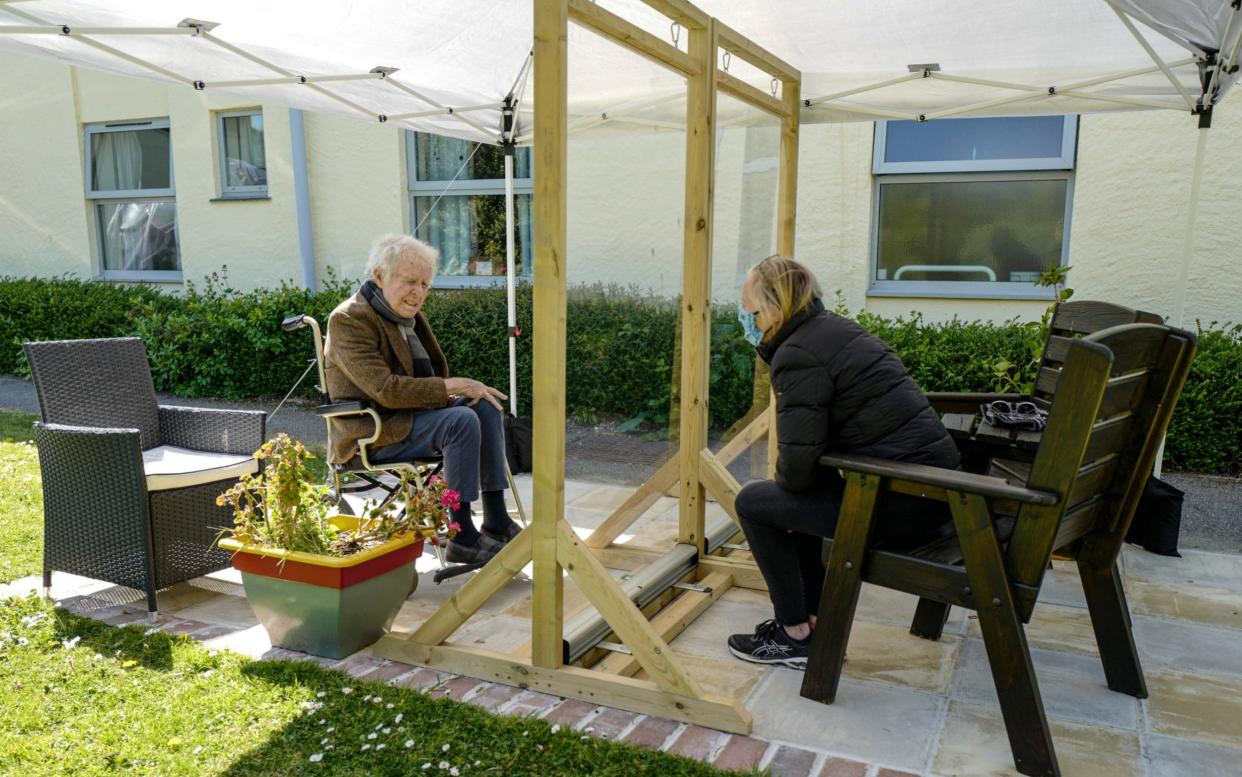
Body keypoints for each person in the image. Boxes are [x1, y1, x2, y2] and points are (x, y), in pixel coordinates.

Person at [726, 255, 961, 669]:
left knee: (756, 504)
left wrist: (789, 484)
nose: (749, 320)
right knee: (795, 501)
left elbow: (797, 469)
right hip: (927, 494)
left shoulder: (797, 355)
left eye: (753, 311)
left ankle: (792, 632)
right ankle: (811, 622)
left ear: (777, 309)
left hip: (901, 507)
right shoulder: (833, 330)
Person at [324, 234, 519, 564]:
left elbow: (424, 383)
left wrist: (464, 390)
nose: (419, 292)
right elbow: (386, 389)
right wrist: (454, 385)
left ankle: (496, 519)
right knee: (460, 420)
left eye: (426, 284)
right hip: (372, 432)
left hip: (410, 418)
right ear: (379, 275)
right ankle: (461, 534)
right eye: (410, 281)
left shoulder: (404, 316)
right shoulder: (349, 319)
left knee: (482, 405)